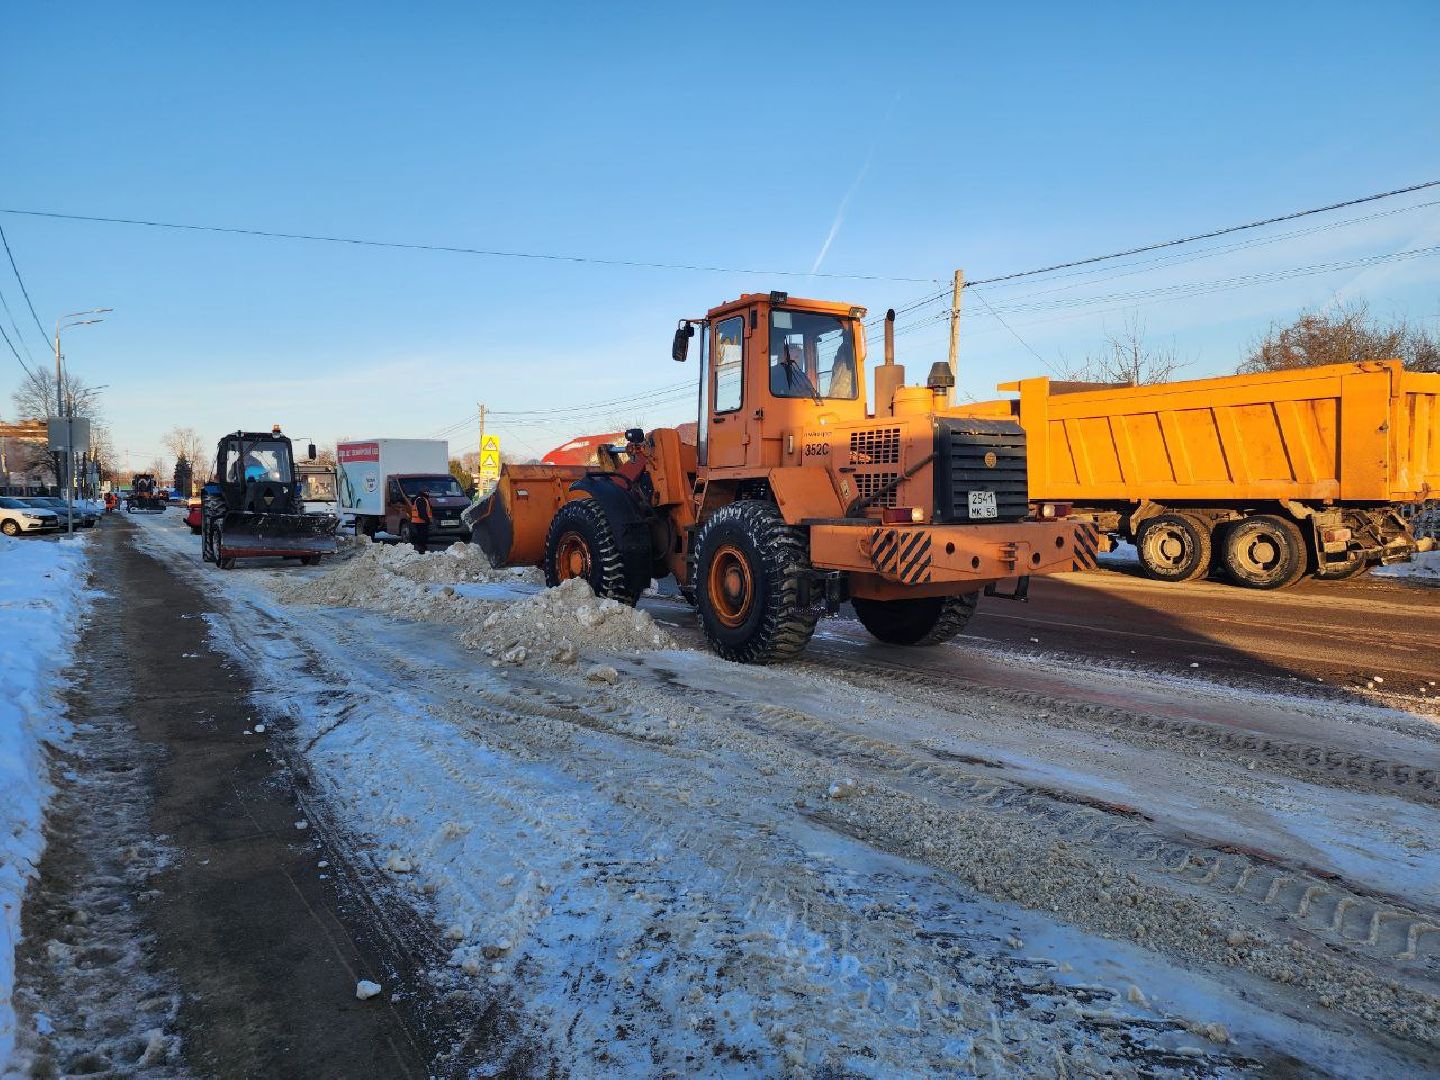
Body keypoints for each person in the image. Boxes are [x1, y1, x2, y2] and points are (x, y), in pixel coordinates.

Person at [409, 487, 433, 553]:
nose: (428, 493)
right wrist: (427, 520)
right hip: (421, 521)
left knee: (421, 535)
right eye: (427, 492)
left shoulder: (419, 499)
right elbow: (422, 512)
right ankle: (421, 549)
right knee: (422, 535)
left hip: (418, 521)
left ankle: (421, 547)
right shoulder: (421, 500)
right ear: (424, 492)